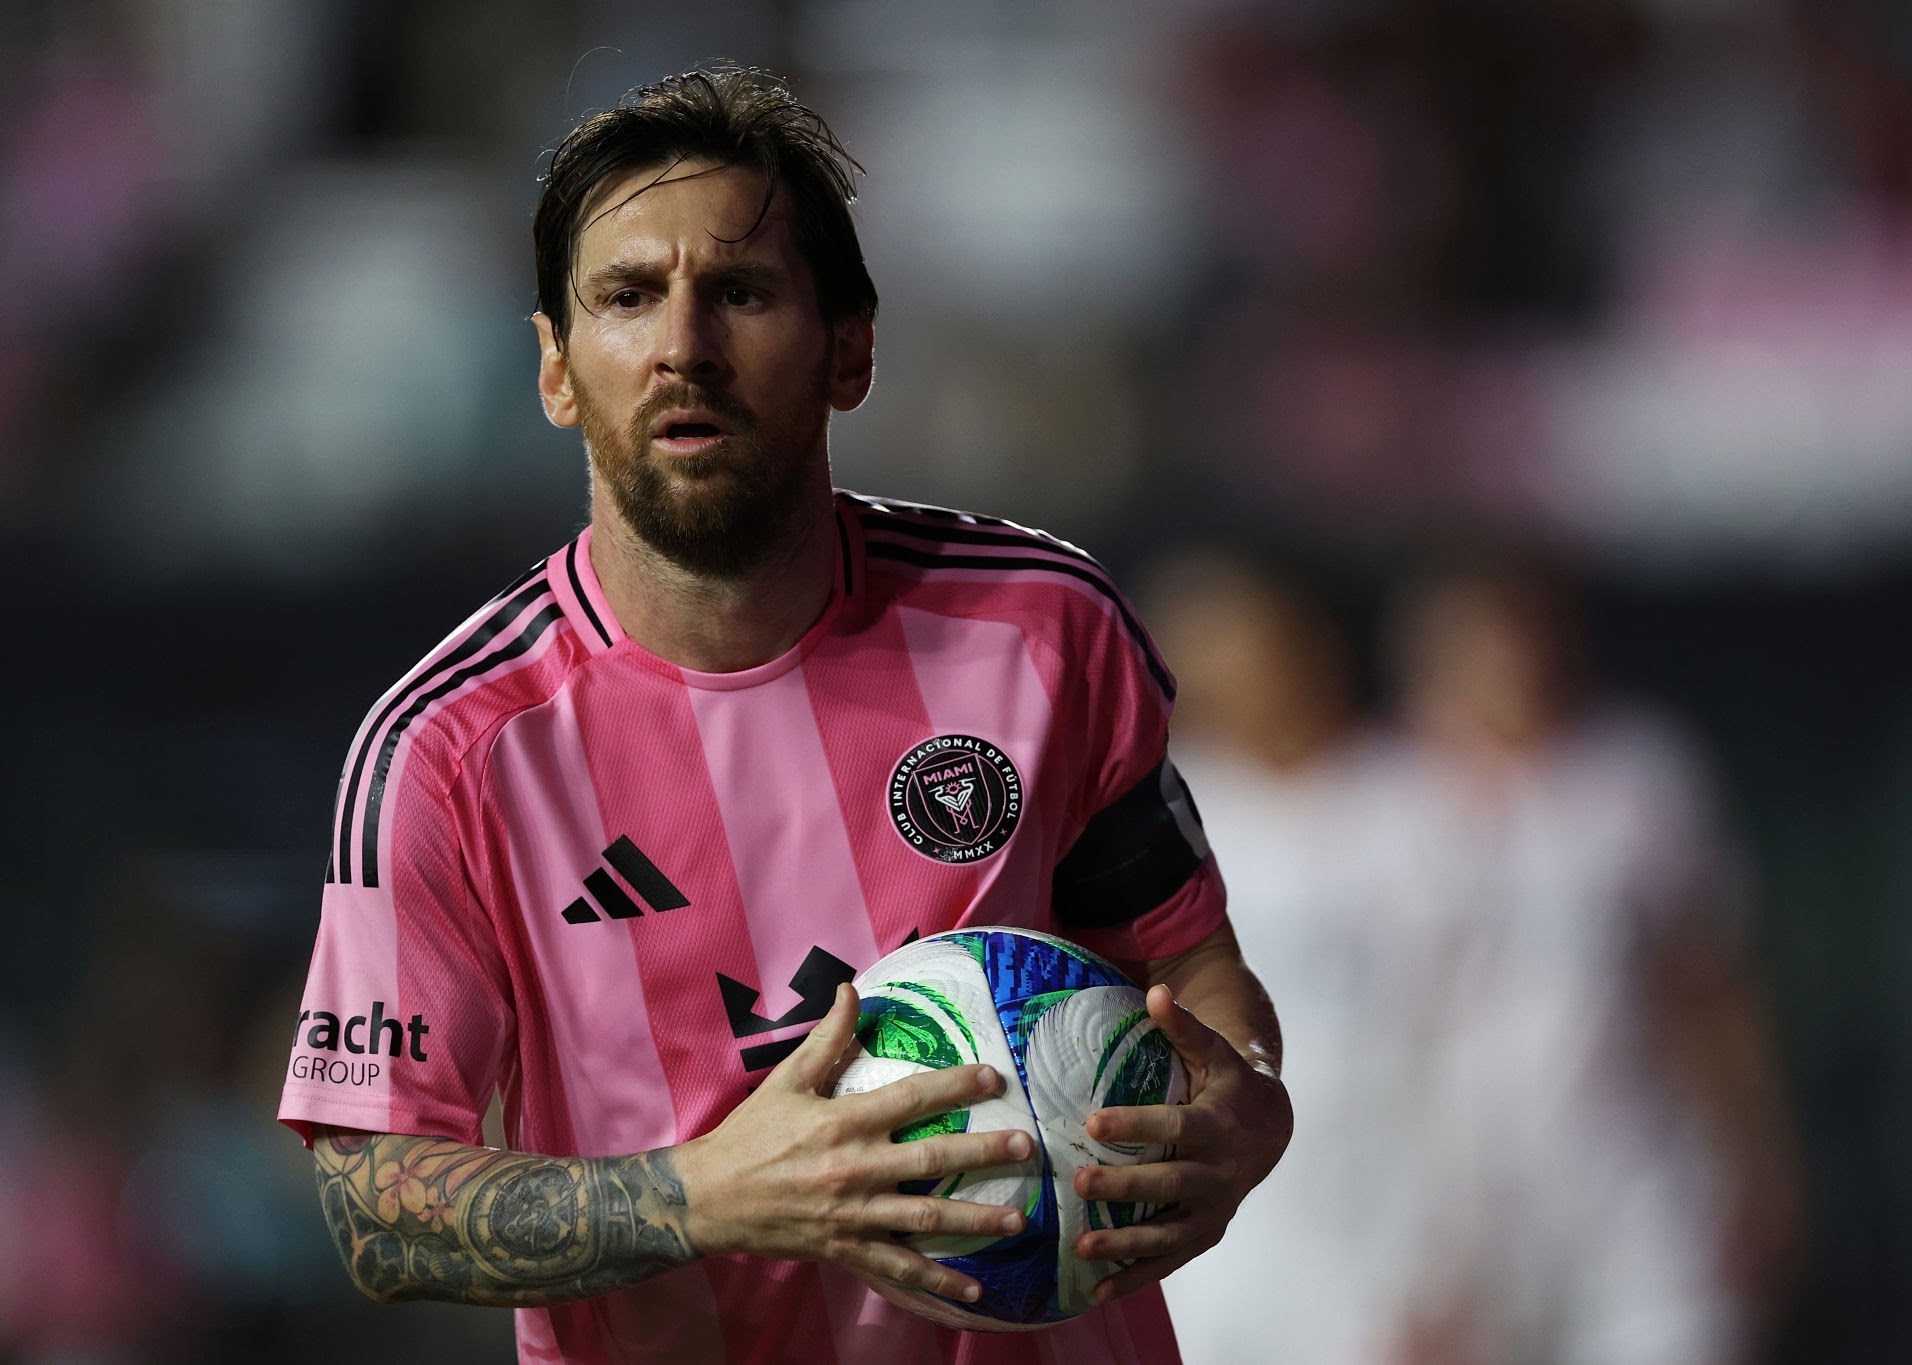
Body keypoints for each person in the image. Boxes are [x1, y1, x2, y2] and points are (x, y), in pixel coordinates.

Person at [276, 65, 1292, 1365]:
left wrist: (1245, 1106)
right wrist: (709, 1193)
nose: (683, 346)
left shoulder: (1045, 630)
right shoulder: (449, 749)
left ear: (849, 349)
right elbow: (375, 1208)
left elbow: (1194, 975)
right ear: (555, 369)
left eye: (741, 292)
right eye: (626, 297)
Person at [1377, 549, 1804, 1365]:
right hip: (1458, 1207)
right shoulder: (1375, 801)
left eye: (1521, 636)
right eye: (1475, 643)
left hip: (1638, 1181)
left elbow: (1710, 981)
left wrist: (1761, 1160)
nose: (1508, 664)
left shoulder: (1639, 773)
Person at [1143, 554, 1446, 1363]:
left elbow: (1475, 1050)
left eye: (1228, 640)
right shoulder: (1149, 819)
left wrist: (1442, 1260)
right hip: (1207, 1245)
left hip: (1381, 1238)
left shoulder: (1425, 802)